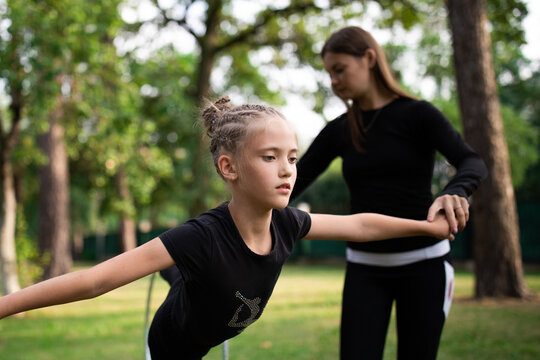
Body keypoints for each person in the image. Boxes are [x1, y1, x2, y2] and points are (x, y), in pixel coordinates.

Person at [0, 97, 454, 360]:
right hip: (176, 346)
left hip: (211, 292)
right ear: (228, 167)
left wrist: (424, 227)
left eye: (292, 157)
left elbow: (358, 225)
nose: (287, 171)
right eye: (269, 157)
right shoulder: (199, 237)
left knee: (186, 273)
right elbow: (94, 280)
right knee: (180, 269)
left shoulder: (289, 223)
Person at [290, 26, 488, 360]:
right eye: (329, 74)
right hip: (364, 269)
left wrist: (455, 191)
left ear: (369, 58)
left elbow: (472, 161)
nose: (334, 81)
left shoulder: (418, 114)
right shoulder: (339, 129)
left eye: (339, 69)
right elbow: (292, 182)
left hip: (426, 266)